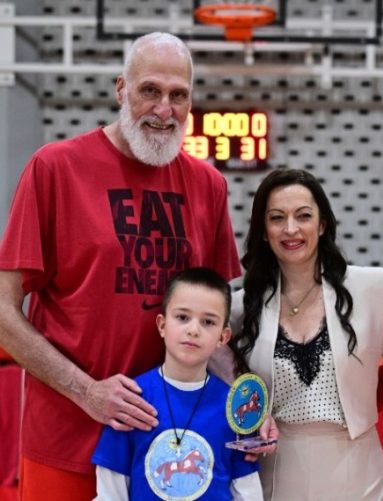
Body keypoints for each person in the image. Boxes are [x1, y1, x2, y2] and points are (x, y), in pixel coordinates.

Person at [0, 32, 241, 500]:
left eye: (178, 96)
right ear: (120, 89)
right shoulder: (55, 168)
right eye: (150, 90)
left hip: (169, 447)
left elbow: (217, 326)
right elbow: (4, 312)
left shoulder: (208, 184)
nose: (164, 109)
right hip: (67, 439)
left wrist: (244, 410)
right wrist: (86, 391)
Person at [228, 168, 383, 500]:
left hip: (356, 469)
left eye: (303, 216)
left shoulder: (371, 287)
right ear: (263, 231)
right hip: (273, 469)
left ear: (322, 224)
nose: (291, 229)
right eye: (277, 218)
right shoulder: (240, 307)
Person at [92, 267, 263, 500]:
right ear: (162, 325)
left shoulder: (235, 409)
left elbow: (247, 492)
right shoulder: (130, 400)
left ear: (223, 337)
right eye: (182, 317)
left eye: (208, 322)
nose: (193, 330)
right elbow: (110, 493)